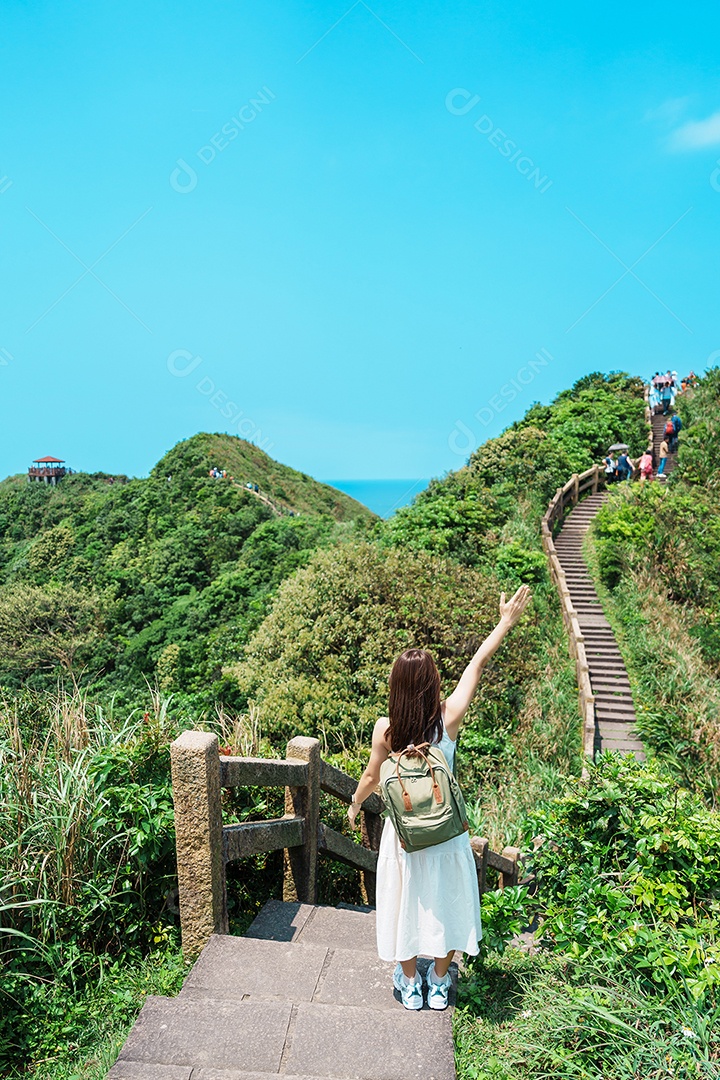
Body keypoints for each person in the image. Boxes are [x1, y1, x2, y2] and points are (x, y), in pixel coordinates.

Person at [348, 586, 532, 1011]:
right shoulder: (447, 720)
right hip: (446, 834)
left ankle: (410, 984)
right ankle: (440, 978)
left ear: (395, 688)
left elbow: (372, 776)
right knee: (448, 903)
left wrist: (356, 803)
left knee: (404, 902)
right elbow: (477, 664)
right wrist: (504, 621)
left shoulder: (385, 730)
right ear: (432, 685)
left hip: (404, 836)